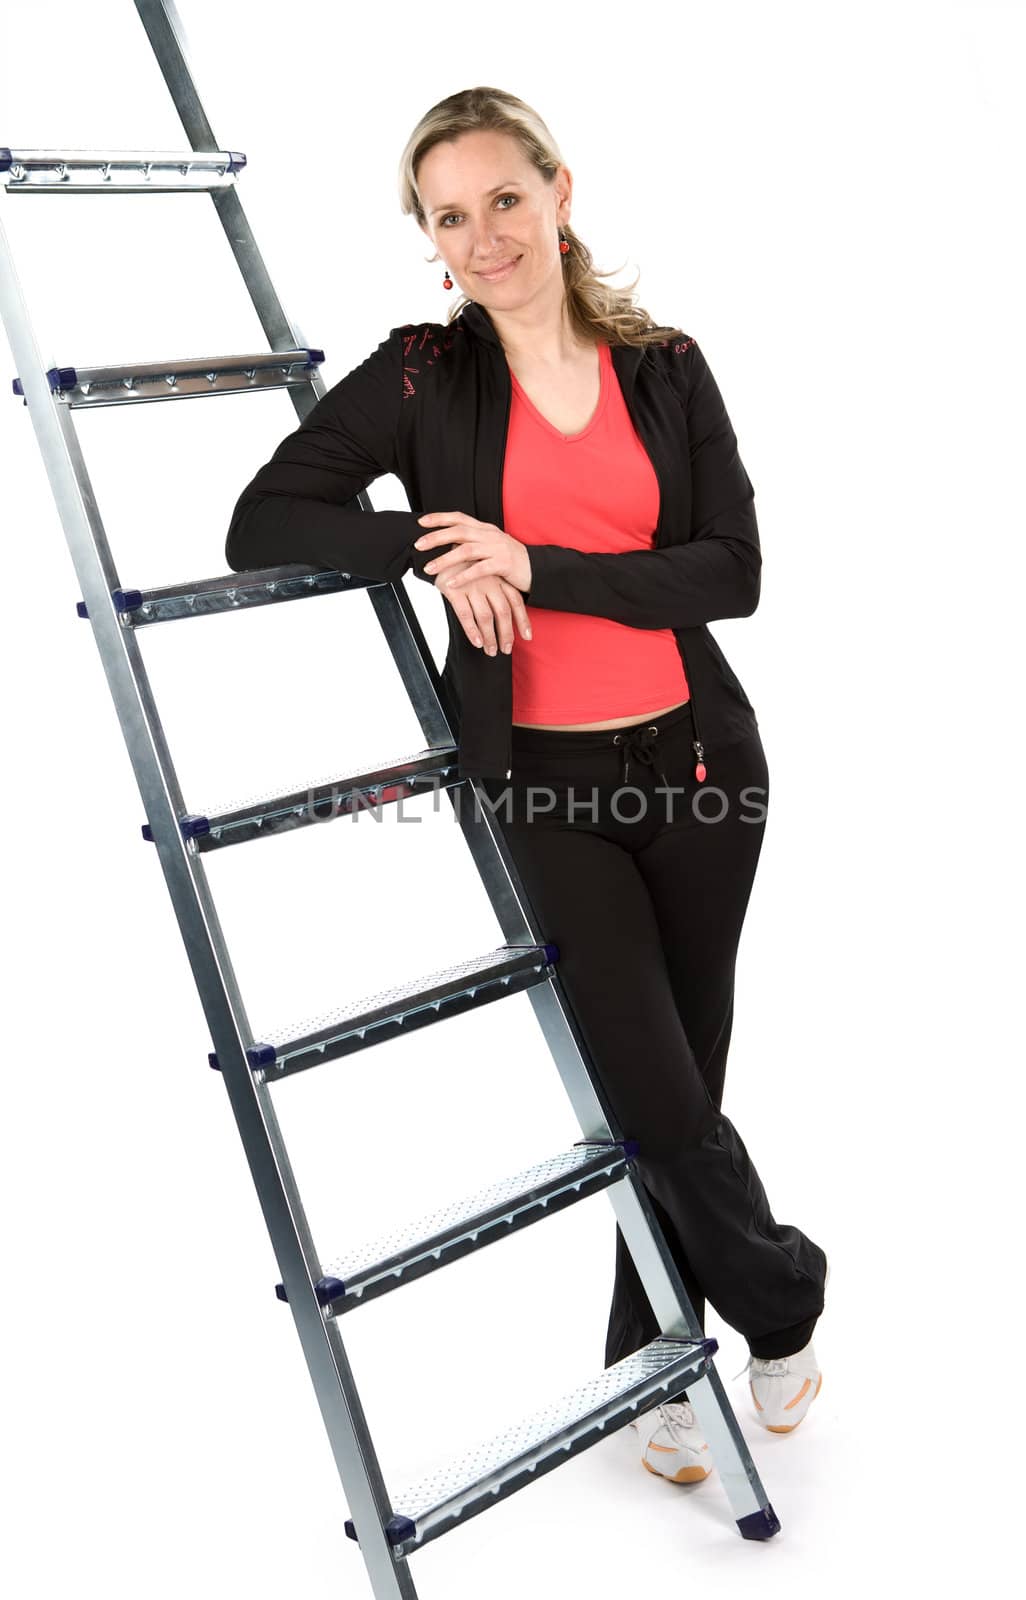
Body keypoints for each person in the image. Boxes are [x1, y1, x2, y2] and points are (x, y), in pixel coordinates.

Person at [225, 86, 828, 1489]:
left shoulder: (667, 366)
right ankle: (785, 1297)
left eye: (505, 197)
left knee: (682, 1078)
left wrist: (535, 566)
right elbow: (265, 522)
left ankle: (647, 1367)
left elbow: (730, 573)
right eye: (450, 215)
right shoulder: (428, 375)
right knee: (652, 1091)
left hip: (698, 771)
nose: (484, 234)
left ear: (561, 192)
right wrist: (437, 548)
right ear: (429, 242)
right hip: (540, 791)